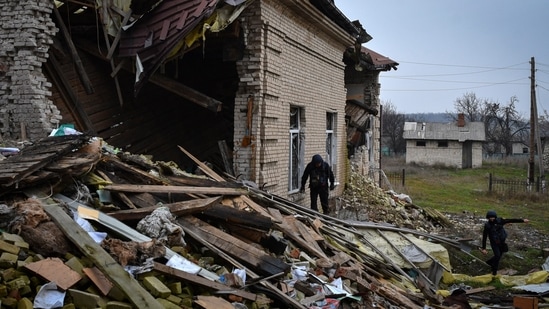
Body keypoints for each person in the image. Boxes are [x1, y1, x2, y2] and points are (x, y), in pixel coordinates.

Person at [480, 210, 529, 275]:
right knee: (497, 256)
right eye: (490, 217)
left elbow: (510, 220)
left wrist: (522, 220)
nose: (492, 219)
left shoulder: (500, 220)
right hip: (494, 243)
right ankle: (494, 272)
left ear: (495, 217)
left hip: (502, 241)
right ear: (488, 218)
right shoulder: (487, 226)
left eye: (493, 217)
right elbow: (484, 237)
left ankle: (489, 262)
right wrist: (484, 248)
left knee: (500, 254)